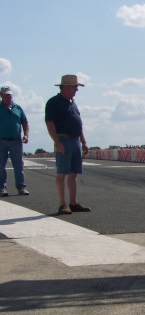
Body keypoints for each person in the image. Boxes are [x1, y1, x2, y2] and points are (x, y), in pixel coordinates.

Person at [45, 74, 91, 215]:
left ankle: (73, 202)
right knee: (62, 173)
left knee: (73, 173)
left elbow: (79, 124)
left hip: (76, 140)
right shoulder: (54, 102)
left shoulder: (73, 103)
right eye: (75, 87)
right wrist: (57, 142)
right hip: (63, 139)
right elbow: (49, 123)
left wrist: (83, 141)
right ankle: (62, 204)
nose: (77, 89)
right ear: (66, 87)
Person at [0, 86, 29, 196]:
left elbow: (25, 122)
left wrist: (26, 134)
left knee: (19, 165)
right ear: (1, 95)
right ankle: (2, 187)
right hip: (1, 140)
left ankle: (21, 187)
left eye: (10, 94)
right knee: (1, 166)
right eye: (6, 94)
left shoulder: (18, 108)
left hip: (16, 140)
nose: (9, 96)